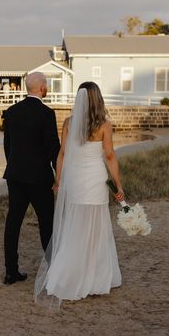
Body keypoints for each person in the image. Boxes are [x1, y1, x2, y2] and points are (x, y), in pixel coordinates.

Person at [34, 81, 123, 307]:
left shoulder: (68, 123)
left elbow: (63, 153)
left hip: (74, 180)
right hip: (94, 180)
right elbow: (110, 156)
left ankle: (69, 274)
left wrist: (59, 179)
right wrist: (118, 186)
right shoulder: (104, 125)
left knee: (75, 227)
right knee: (95, 230)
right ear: (98, 99)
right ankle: (93, 278)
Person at [2, 72, 60, 285]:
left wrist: (15, 166)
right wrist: (58, 174)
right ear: (42, 88)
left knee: (13, 223)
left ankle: (11, 271)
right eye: (46, 85)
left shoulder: (11, 112)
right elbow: (53, 148)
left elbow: (8, 146)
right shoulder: (46, 114)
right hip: (39, 177)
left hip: (15, 176)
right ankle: (53, 271)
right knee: (46, 223)